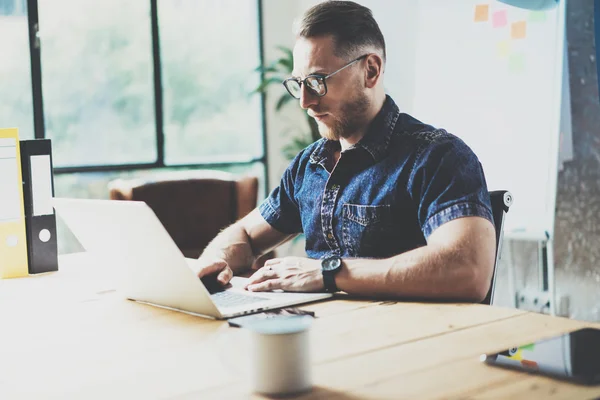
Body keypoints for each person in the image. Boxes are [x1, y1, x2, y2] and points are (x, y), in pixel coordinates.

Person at [193, 0, 496, 302]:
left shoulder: (438, 157)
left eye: (317, 81)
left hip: (406, 342)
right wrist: (213, 264)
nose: (305, 101)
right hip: (320, 336)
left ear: (371, 70)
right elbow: (244, 236)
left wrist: (327, 272)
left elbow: (467, 270)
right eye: (299, 83)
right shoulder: (309, 165)